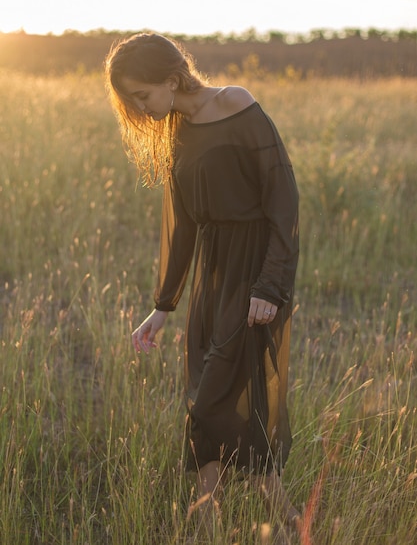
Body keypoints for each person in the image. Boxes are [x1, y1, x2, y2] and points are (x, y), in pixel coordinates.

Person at [105, 32, 300, 539]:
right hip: (212, 278)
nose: (142, 110)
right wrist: (164, 305)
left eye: (142, 96)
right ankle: (250, 521)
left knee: (213, 398)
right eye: (132, 102)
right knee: (211, 398)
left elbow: (283, 199)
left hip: (254, 270)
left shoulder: (235, 103)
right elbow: (184, 224)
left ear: (172, 79)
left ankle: (227, 518)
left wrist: (270, 286)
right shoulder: (177, 131)